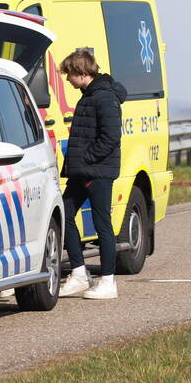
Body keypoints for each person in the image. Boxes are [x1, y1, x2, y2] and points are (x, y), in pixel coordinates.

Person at [57, 50, 128, 300]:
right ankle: (79, 273)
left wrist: (86, 160)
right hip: (82, 170)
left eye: (70, 75)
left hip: (96, 172)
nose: (67, 80)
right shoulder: (89, 96)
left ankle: (108, 282)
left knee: (102, 225)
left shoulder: (104, 98)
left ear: (82, 73)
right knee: (64, 216)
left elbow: (110, 137)